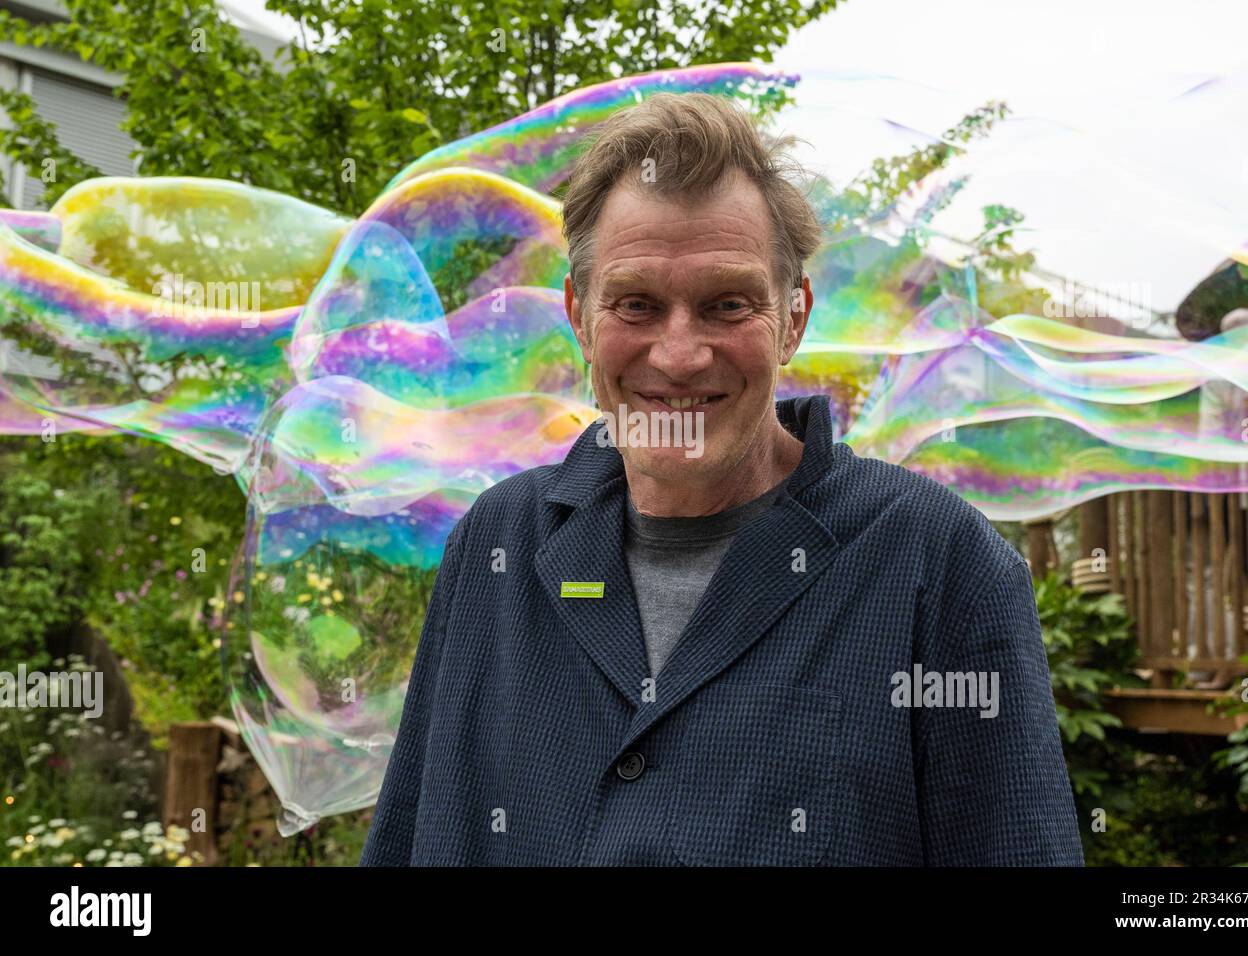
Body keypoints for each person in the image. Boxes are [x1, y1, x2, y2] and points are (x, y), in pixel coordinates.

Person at [359, 91, 1083, 866]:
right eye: (636, 304)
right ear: (579, 314)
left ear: (793, 318)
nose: (678, 355)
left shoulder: (938, 564)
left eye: (726, 305)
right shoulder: (496, 546)